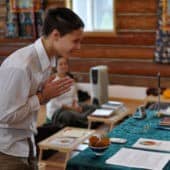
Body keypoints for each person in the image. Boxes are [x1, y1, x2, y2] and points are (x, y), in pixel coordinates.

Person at [0, 7, 84, 170]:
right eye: (75, 41)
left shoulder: (47, 61)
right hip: (6, 148)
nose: (79, 47)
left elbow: (28, 104)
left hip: (26, 141)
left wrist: (44, 97)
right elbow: (5, 115)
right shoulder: (21, 65)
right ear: (56, 35)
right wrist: (41, 96)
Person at [46, 56, 97, 128]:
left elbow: (74, 95)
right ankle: (86, 120)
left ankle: (83, 120)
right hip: (58, 111)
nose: (63, 66)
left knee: (94, 107)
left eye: (65, 64)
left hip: (72, 106)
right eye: (60, 64)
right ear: (55, 67)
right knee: (68, 116)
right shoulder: (52, 82)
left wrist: (76, 104)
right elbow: (56, 104)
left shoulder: (69, 78)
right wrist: (73, 109)